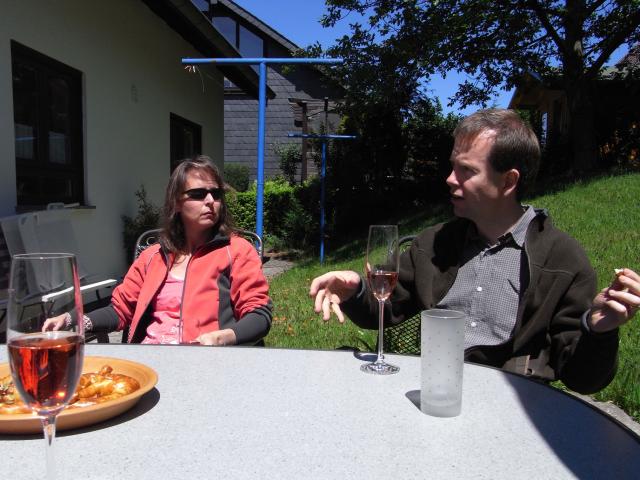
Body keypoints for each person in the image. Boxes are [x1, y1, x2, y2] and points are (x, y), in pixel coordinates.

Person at [309, 109, 639, 394]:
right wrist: (355, 289)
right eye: (453, 166)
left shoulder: (562, 261)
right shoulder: (434, 244)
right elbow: (383, 310)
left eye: (467, 170)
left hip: (515, 410)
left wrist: (598, 330)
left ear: (508, 181)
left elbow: (583, 380)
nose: (450, 179)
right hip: (434, 393)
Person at [45, 155, 272, 346]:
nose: (211, 200)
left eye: (216, 193)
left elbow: (259, 315)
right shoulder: (153, 256)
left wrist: (222, 338)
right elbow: (121, 309)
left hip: (208, 363)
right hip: (150, 360)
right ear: (176, 203)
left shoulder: (236, 251)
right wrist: (71, 319)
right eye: (198, 194)